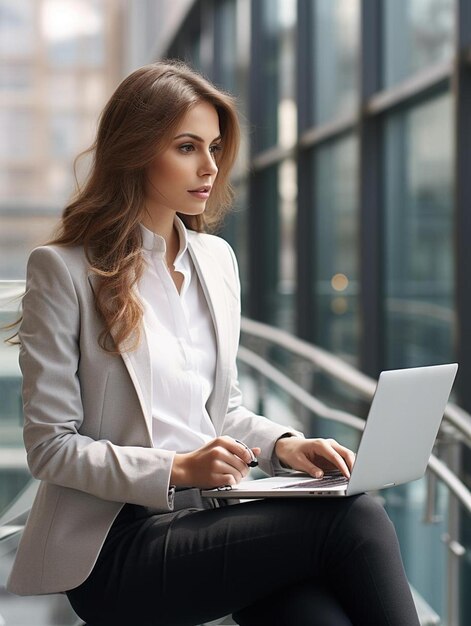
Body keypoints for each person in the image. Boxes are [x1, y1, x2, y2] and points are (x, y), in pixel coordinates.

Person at [6, 60, 420, 626]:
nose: (210, 166)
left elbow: (221, 410)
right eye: (186, 147)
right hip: (115, 548)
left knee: (318, 616)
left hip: (211, 521)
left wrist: (286, 446)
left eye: (216, 146)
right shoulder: (63, 271)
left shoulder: (216, 260)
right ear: (135, 151)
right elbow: (50, 448)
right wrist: (176, 468)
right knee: (355, 517)